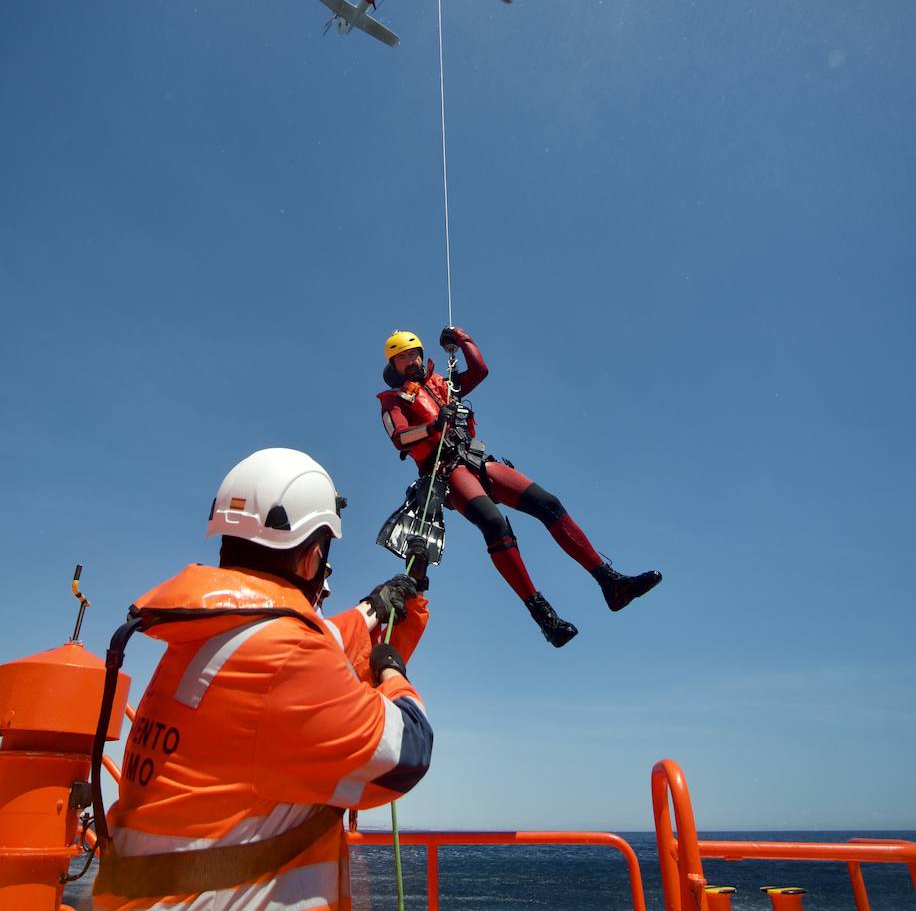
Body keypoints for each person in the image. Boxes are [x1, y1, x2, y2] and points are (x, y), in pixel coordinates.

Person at [92, 447, 432, 911]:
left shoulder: (206, 637)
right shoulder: (286, 655)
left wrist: (372, 609)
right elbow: (406, 754)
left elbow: (310, 645)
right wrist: (392, 671)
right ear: (313, 558)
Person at [377, 327, 661, 648]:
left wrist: (462, 339)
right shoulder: (393, 400)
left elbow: (480, 371)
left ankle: (610, 582)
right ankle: (544, 617)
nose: (411, 361)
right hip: (447, 470)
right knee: (495, 525)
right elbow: (400, 437)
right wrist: (432, 425)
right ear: (393, 365)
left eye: (413, 354)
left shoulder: (442, 384)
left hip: (475, 457)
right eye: (402, 358)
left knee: (548, 503)